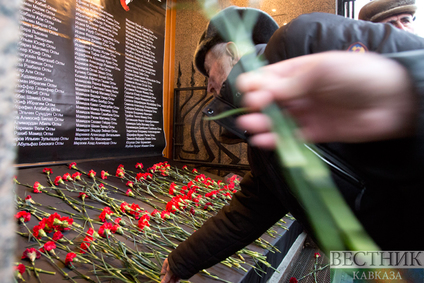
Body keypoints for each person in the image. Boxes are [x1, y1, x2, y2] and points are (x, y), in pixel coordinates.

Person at [160, 11, 424, 283]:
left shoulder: (302, 39)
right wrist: (182, 261)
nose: (207, 86)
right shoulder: (263, 141)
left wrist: (399, 92)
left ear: (231, 51)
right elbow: (247, 212)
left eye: (207, 69)